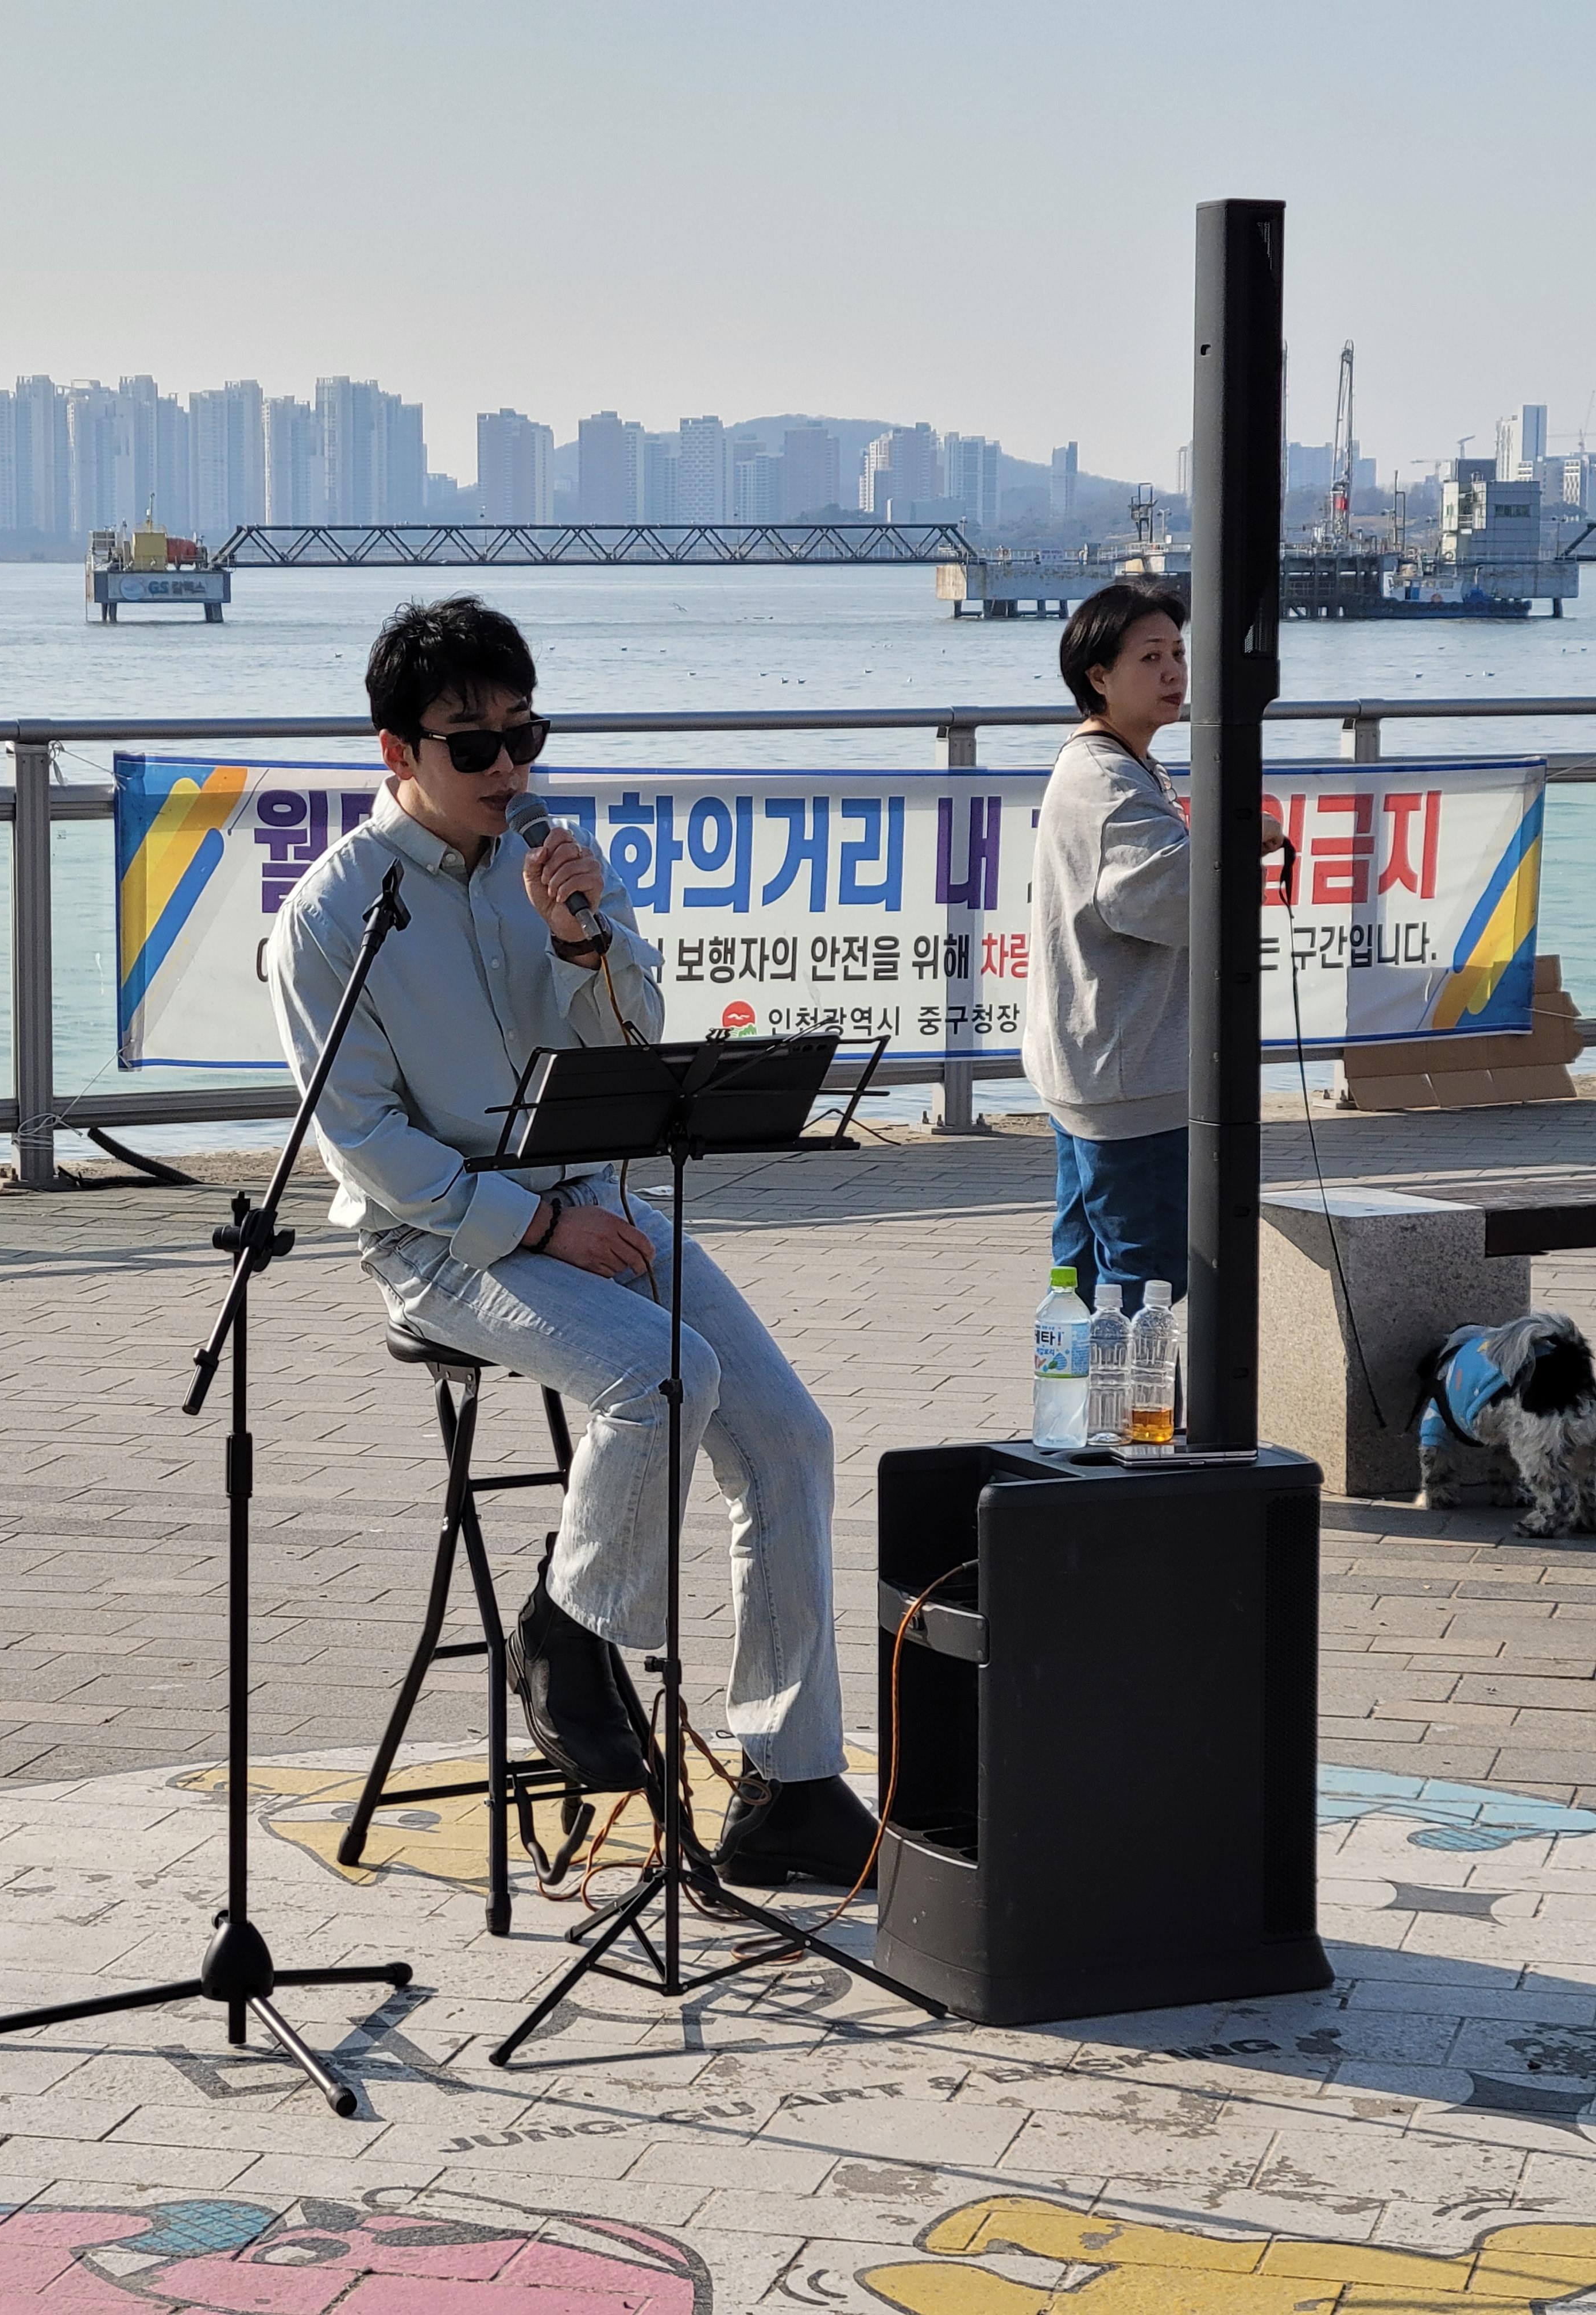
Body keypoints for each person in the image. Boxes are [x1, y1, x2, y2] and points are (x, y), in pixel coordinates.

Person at [267, 596, 873, 1888]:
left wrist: (582, 938)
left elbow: (634, 1043)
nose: (507, 768)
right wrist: (538, 1223)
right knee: (662, 1377)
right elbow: (361, 1139)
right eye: (470, 745)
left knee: (790, 1435)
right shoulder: (333, 912)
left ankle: (791, 1783)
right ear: (397, 752)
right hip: (439, 1240)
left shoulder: (557, 866)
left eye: (523, 734)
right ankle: (566, 1629)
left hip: (591, 1197)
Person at [1023, 582, 1281, 1314]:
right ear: (1098, 676)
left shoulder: (1114, 763)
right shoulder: (1108, 780)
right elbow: (1168, 901)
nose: (1174, 672)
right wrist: (1244, 839)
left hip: (1094, 1065)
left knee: (1083, 1282)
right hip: (1129, 1076)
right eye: (1150, 658)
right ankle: (1134, 1397)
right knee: (1145, 1283)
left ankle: (1076, 1392)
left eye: (1178, 653)